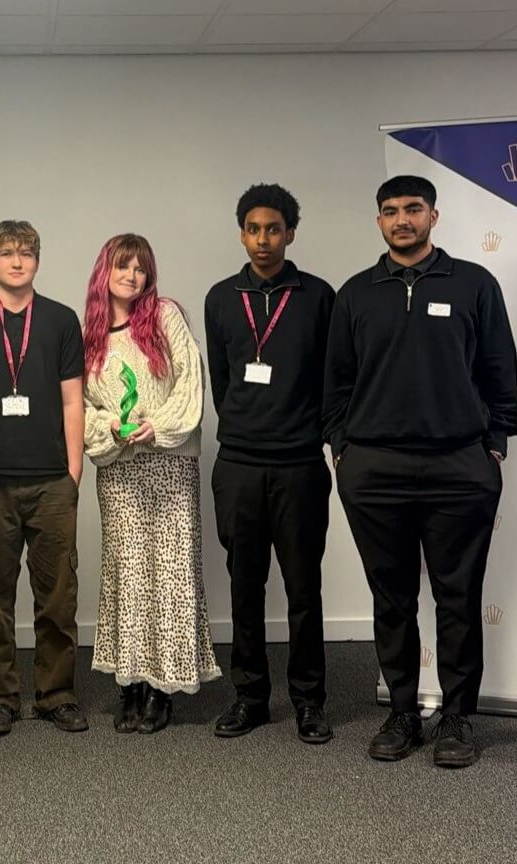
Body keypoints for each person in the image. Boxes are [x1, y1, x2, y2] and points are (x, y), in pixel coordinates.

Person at [324, 175, 517, 768]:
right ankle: (403, 709)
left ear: (434, 215)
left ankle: (457, 715)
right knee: (392, 597)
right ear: (378, 221)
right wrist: (343, 451)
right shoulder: (355, 293)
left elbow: (498, 369)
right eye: (389, 211)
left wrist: (494, 445)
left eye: (413, 209)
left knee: (457, 597)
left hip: (458, 465)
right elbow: (335, 383)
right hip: (374, 468)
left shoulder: (474, 284)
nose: (401, 219)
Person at [203, 183, 335, 743]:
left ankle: (308, 701)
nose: (263, 239)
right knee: (244, 585)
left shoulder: (317, 296)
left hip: (300, 464)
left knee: (304, 587)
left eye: (274, 229)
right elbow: (222, 379)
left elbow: (330, 377)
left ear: (290, 233)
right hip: (238, 464)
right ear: (241, 233)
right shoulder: (220, 297)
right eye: (253, 229)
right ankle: (250, 696)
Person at [83, 233, 220, 733]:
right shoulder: (91, 337)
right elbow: (85, 408)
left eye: (141, 268)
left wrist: (156, 427)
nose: (132, 276)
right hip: (120, 468)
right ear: (106, 271)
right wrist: (112, 432)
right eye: (124, 266)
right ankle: (130, 683)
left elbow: (190, 381)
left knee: (171, 571)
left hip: (166, 462)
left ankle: (164, 687)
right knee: (128, 571)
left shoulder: (165, 317)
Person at [0, 220, 88, 736]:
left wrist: (73, 472)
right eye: (7, 253)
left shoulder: (61, 321)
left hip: (50, 481)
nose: (17, 261)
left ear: (38, 261)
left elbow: (71, 399)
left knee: (57, 597)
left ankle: (56, 693)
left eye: (26, 253)